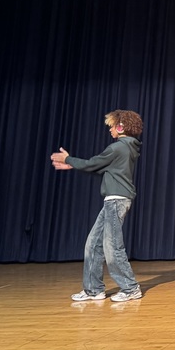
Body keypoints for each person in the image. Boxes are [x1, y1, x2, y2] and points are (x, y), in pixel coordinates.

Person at [50, 109, 144, 303]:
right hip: (113, 200)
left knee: (113, 247)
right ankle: (93, 289)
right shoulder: (126, 148)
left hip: (117, 200)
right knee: (93, 244)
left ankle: (130, 287)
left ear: (121, 127)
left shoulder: (118, 147)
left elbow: (93, 163)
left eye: (112, 127)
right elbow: (102, 169)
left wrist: (69, 159)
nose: (110, 130)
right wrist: (74, 164)